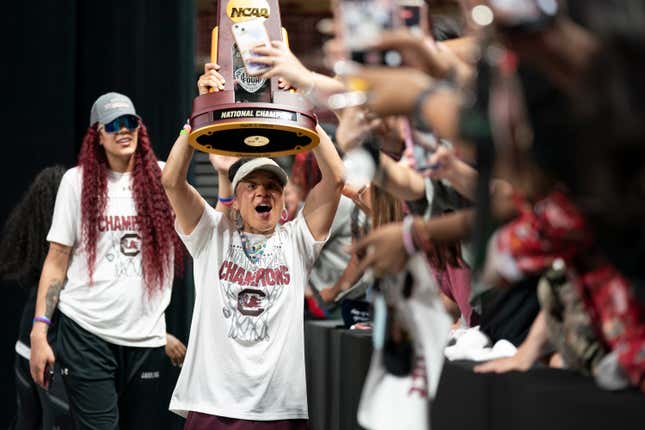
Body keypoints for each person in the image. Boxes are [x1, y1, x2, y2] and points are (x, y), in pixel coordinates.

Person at [162, 68, 344, 427]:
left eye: (272, 186)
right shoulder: (212, 235)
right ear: (238, 198)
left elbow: (336, 177)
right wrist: (199, 114)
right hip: (213, 403)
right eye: (252, 185)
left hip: (277, 410)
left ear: (283, 200)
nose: (263, 192)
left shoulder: (297, 240)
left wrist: (303, 112)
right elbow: (171, 180)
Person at [28, 92, 183, 429]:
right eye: (113, 124)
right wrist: (39, 332)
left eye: (130, 122)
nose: (123, 130)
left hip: (145, 340)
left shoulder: (163, 178)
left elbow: (206, 226)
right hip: (87, 334)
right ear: (96, 134)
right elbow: (56, 261)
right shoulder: (76, 183)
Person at [0, 166, 72, 429]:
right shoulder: (65, 251)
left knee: (27, 422)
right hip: (48, 347)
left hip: (27, 342)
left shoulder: (38, 246)